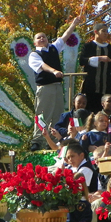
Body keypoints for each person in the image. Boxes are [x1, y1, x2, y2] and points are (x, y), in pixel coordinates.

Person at [28, 16, 81, 151]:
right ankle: (38, 140)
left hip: (57, 87)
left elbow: (65, 36)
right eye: (38, 38)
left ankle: (52, 141)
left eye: (44, 37)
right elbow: (42, 66)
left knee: (58, 114)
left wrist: (74, 24)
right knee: (42, 114)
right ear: (35, 42)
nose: (42, 39)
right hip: (45, 88)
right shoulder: (34, 55)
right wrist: (54, 71)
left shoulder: (53, 48)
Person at [79, 23, 111, 113]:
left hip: (107, 86)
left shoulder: (110, 48)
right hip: (91, 86)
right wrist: (100, 58)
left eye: (107, 31)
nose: (106, 33)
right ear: (96, 32)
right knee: (90, 111)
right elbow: (82, 61)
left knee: (107, 110)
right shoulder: (88, 46)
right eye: (103, 31)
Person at [65, 144, 98, 222]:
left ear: (82, 155)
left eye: (72, 156)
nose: (70, 159)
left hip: (85, 202)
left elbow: (79, 190)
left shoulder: (85, 169)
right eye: (68, 157)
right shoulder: (73, 168)